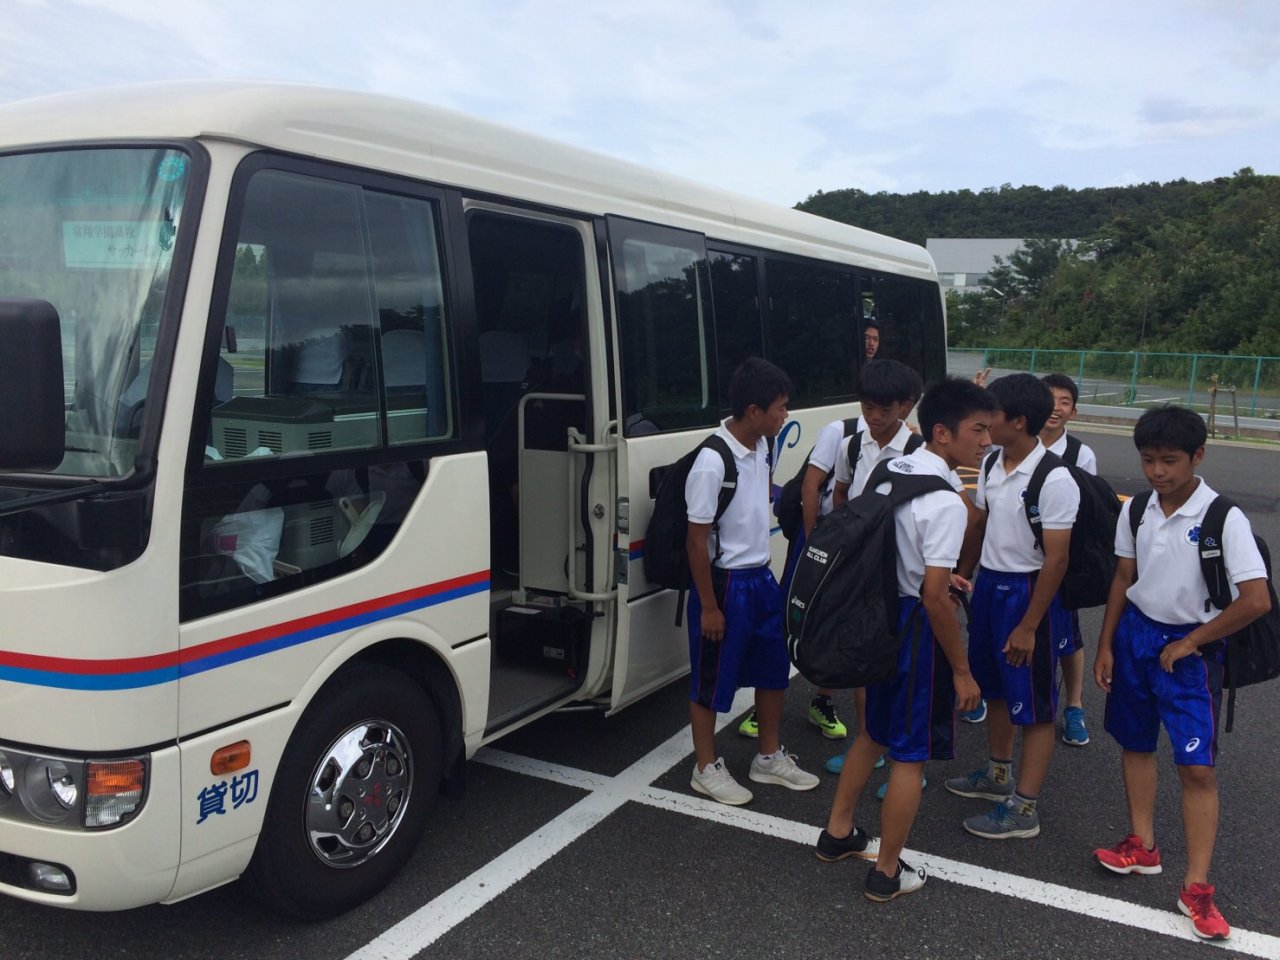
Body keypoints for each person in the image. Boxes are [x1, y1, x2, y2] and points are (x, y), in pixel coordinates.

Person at [1092, 405, 1270, 942]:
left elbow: (1256, 599)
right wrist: (1106, 644)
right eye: (1148, 460)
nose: (1157, 472)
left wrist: (1193, 641)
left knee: (1197, 769)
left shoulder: (1223, 518)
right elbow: (1124, 575)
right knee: (1134, 742)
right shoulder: (1136, 509)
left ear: (1198, 456)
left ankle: (1196, 886)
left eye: (1169, 461)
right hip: (1136, 637)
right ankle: (1142, 845)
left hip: (1191, 651)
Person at [815, 376, 992, 901]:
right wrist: (962, 670)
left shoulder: (890, 470)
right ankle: (887, 871)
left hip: (876, 617)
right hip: (915, 629)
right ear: (942, 433)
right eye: (978, 430)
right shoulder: (946, 503)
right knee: (909, 755)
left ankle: (837, 833)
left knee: (872, 733)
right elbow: (935, 598)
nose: (987, 441)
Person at [947, 374, 1079, 840]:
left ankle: (1025, 807)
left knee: (1036, 703)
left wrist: (1029, 625)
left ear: (1019, 421)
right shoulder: (992, 463)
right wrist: (961, 576)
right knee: (996, 688)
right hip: (990, 587)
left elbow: (1057, 559)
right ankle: (998, 773)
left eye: (992, 417)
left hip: (1029, 593)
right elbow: (980, 524)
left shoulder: (1054, 478)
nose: (984, 427)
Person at [687, 357, 820, 805]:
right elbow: (695, 541)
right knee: (711, 678)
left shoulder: (764, 444)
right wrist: (709, 606)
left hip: (761, 577)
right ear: (753, 410)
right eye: (780, 407)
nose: (785, 415)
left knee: (773, 670)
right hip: (725, 584)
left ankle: (768, 756)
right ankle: (705, 767)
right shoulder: (712, 461)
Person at [819, 359, 925, 777]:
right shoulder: (852, 446)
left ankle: (907, 761)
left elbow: (951, 510)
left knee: (908, 672)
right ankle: (870, 743)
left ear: (905, 406)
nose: (875, 417)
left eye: (885, 409)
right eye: (867, 407)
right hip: (864, 574)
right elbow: (841, 494)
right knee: (866, 660)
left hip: (908, 580)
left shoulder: (919, 452)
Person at [1039, 373, 1099, 747]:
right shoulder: (1011, 445)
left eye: (1065, 402)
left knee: (1068, 637)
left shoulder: (1080, 454)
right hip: (1018, 560)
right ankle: (991, 693)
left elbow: (1088, 507)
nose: (1056, 408)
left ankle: (1073, 706)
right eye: (1050, 399)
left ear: (1073, 412)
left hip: (1062, 561)